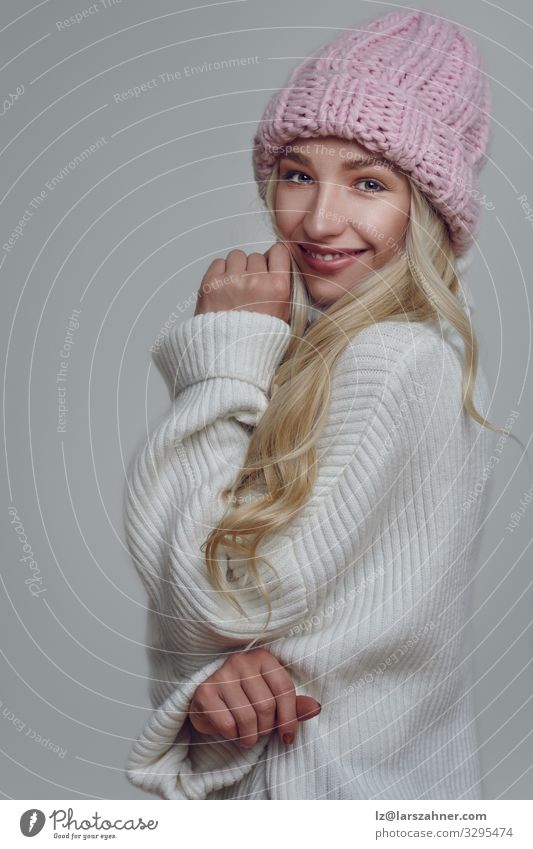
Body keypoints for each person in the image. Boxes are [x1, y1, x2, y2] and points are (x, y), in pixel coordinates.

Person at [123, 9, 517, 800]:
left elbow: (209, 600)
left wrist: (221, 360)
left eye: (369, 182)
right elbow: (229, 619)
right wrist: (216, 668)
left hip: (325, 800)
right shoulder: (327, 352)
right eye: (297, 173)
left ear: (429, 211)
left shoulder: (391, 357)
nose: (317, 220)